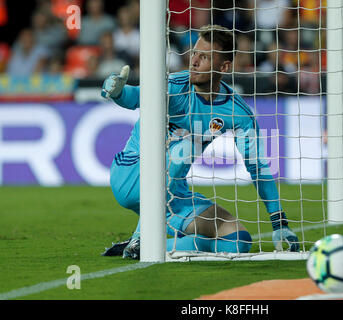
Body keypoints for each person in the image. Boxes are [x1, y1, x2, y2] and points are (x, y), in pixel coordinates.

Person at [101, 25, 299, 259]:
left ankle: (152, 244)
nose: (193, 61)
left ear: (224, 67)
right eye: (194, 53)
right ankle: (142, 236)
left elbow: (257, 167)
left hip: (171, 192)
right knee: (189, 144)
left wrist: (279, 222)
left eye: (204, 57)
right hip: (132, 173)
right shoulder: (175, 86)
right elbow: (133, 96)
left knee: (238, 241)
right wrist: (115, 91)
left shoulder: (238, 112)